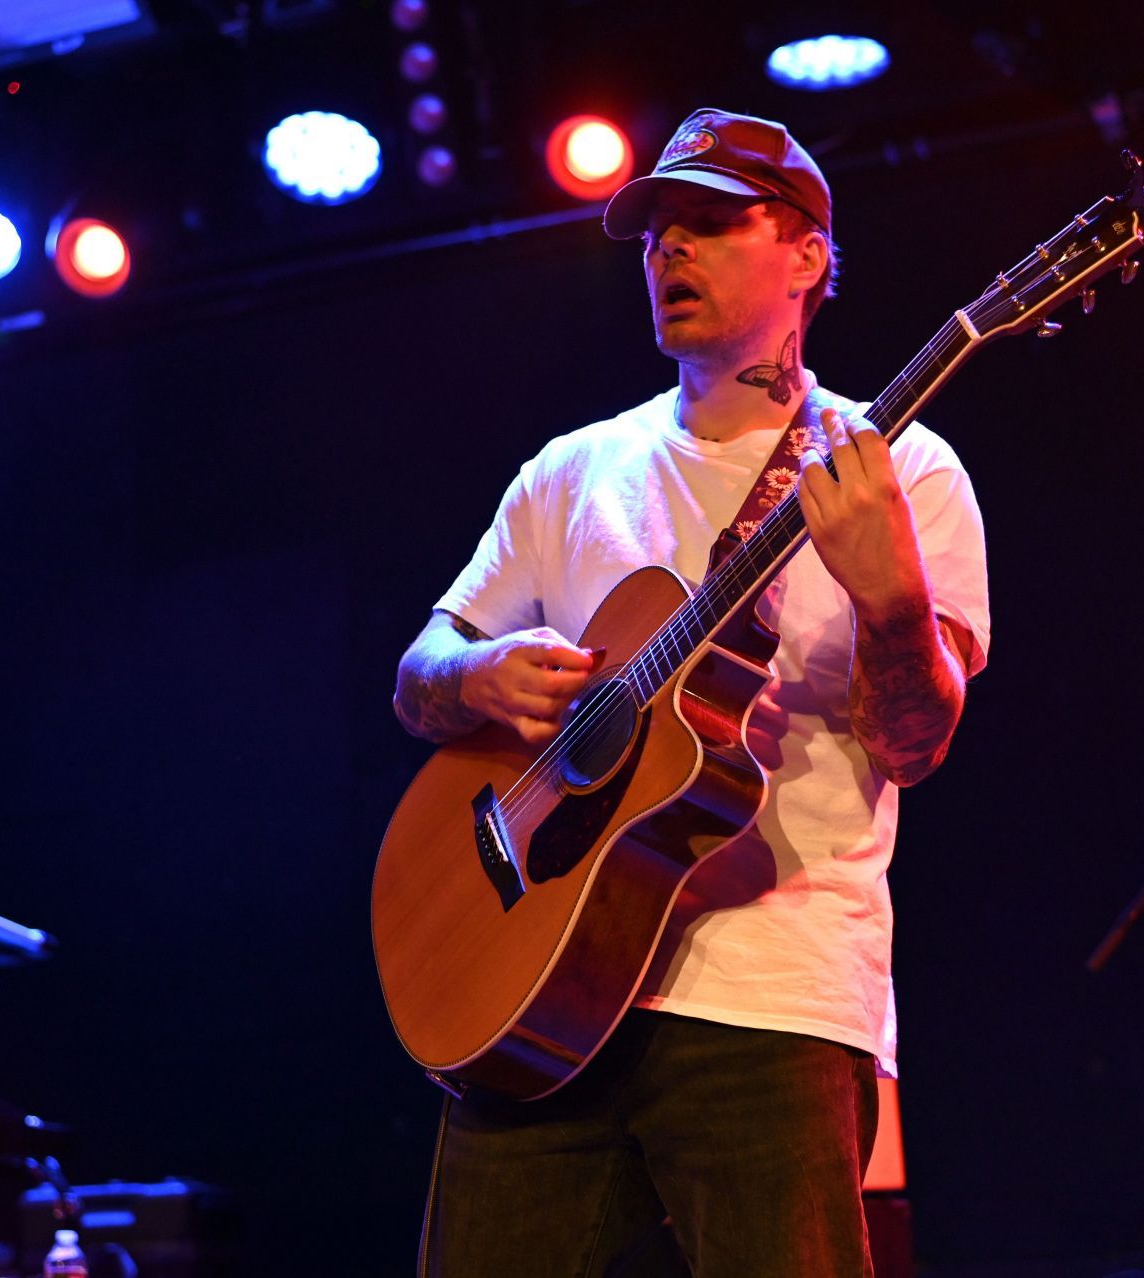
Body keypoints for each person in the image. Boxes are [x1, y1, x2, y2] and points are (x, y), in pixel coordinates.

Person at [391, 107, 990, 1277]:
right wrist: (478, 677)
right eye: (659, 232)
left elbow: (916, 745)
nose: (669, 252)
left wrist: (891, 605)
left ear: (808, 255)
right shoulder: (572, 472)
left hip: (770, 1006)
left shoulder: (900, 469)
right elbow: (419, 677)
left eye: (710, 224)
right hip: (537, 991)